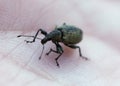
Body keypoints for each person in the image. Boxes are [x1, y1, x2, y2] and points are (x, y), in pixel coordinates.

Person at [0, 0, 120, 86]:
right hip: (62, 31)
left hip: (74, 36)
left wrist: (53, 53)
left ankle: (81, 56)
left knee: (72, 48)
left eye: (48, 37)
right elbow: (42, 31)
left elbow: (60, 51)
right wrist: (41, 39)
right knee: (51, 37)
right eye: (48, 37)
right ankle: (33, 40)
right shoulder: (55, 32)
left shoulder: (62, 39)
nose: (46, 38)